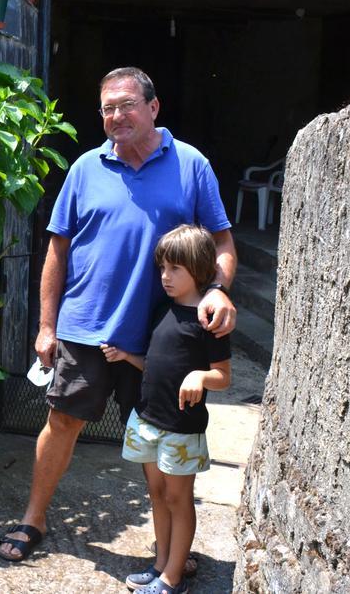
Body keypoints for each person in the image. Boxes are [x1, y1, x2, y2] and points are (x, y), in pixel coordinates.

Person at [0, 67, 237, 562]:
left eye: (126, 104)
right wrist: (46, 326)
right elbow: (57, 251)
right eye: (107, 107)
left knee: (155, 436)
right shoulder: (86, 167)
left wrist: (217, 289)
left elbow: (222, 243)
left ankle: (167, 544)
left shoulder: (190, 164)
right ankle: (32, 518)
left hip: (157, 336)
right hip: (84, 326)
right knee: (61, 422)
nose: (115, 115)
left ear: (153, 108)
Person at [103, 224, 231, 593]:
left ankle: (174, 577)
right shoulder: (162, 310)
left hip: (181, 426)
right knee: (156, 494)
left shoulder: (210, 323)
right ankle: (161, 564)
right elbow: (158, 364)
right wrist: (129, 357)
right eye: (162, 268)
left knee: (178, 497)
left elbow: (223, 376)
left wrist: (201, 377)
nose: (165, 276)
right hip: (147, 419)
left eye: (175, 269)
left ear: (200, 268)